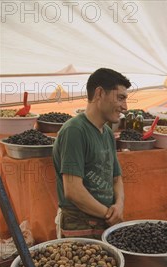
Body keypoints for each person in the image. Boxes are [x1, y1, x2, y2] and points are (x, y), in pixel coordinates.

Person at [53, 68, 131, 238]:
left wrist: (119, 205)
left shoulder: (108, 133)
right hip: (80, 225)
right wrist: (110, 215)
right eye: (120, 98)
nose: (125, 106)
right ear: (100, 93)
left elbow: (116, 178)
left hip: (104, 221)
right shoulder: (75, 130)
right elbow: (73, 190)